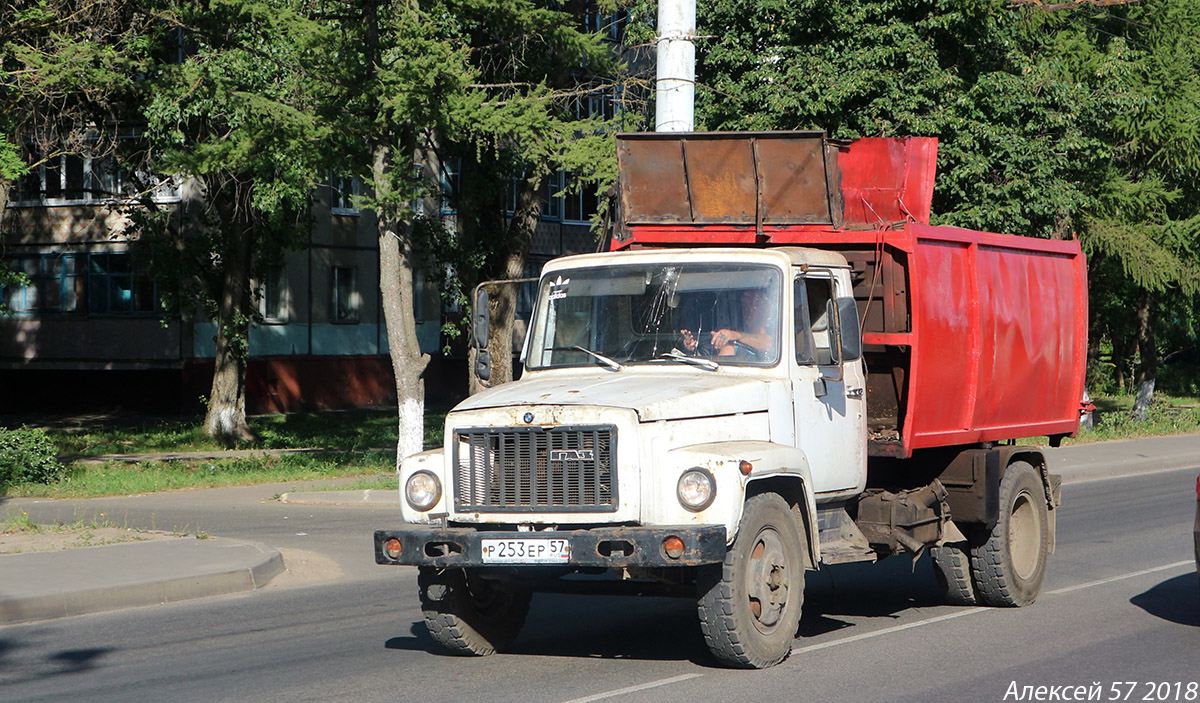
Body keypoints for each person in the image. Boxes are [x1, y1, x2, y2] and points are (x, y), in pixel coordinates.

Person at [680, 288, 774, 357]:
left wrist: (735, 335)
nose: (748, 310)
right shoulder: (733, 338)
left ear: (765, 308)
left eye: (753, 305)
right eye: (744, 306)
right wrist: (693, 350)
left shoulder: (776, 329)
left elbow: (769, 344)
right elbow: (715, 366)